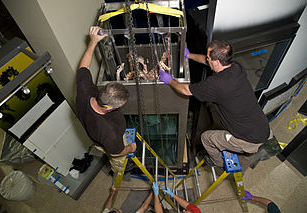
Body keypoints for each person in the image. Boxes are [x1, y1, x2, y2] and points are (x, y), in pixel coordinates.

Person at [159, 40, 271, 171]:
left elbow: (186, 90)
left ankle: (218, 162)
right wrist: (189, 56)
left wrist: (170, 81)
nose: (206, 59)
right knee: (247, 153)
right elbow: (208, 61)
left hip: (247, 139)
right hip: (262, 127)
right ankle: (244, 163)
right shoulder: (236, 66)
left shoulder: (215, 85)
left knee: (207, 138)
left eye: (208, 57)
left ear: (217, 62)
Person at [76, 26, 136, 175]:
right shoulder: (108, 133)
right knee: (119, 162)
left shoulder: (85, 92)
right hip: (115, 145)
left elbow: (83, 67)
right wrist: (130, 148)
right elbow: (116, 152)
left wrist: (93, 42)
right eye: (121, 104)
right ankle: (118, 174)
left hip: (111, 133)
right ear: (109, 108)